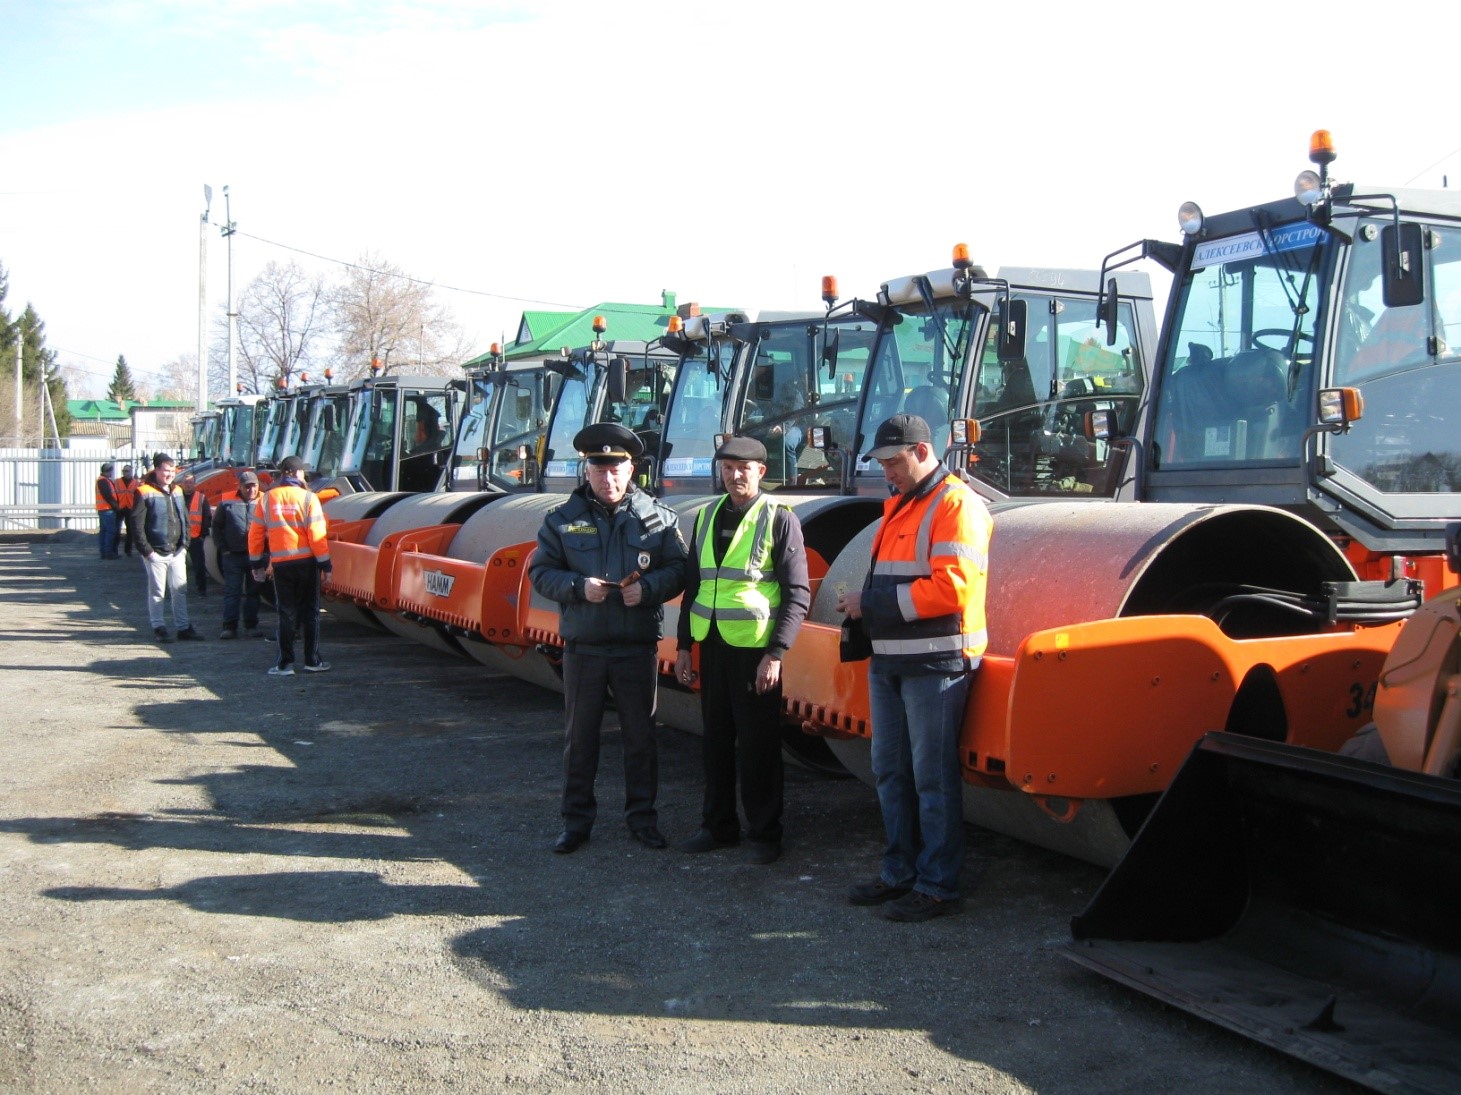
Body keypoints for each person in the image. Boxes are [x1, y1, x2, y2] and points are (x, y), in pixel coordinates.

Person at [835, 414, 991, 922]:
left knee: (930, 778)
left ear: (922, 452)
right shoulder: (903, 503)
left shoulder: (956, 505)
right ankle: (900, 873)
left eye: (893, 461)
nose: (887, 472)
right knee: (891, 771)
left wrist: (869, 605)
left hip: (936, 662)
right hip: (895, 659)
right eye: (881, 463)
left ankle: (938, 885)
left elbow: (953, 589)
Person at [529, 422, 688, 854]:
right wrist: (579, 588)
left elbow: (679, 569)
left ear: (631, 468)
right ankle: (576, 822)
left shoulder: (657, 519)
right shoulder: (562, 521)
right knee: (580, 739)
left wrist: (649, 589)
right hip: (585, 648)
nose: (608, 478)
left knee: (641, 738)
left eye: (616, 468)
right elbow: (540, 573)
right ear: (587, 471)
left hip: (636, 648)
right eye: (599, 469)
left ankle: (642, 819)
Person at [674, 435, 810, 865]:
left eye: (743, 468)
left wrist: (777, 654)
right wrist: (682, 647)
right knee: (714, 740)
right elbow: (694, 586)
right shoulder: (707, 516)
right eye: (728, 468)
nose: (734, 476)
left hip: (756, 653)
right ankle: (717, 826)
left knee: (758, 746)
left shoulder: (779, 519)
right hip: (712, 645)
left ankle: (765, 834)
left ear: (761, 473)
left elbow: (798, 593)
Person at [249, 454, 332, 677]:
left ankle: (284, 664)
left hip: (281, 564)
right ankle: (312, 660)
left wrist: (256, 562)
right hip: (306, 563)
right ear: (296, 473)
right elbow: (317, 535)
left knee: (286, 612)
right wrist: (325, 564)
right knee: (311, 612)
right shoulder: (308, 498)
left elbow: (255, 533)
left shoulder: (266, 499)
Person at [132, 453, 202, 643]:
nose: (170, 474)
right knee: (157, 591)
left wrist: (184, 545)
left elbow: (185, 519)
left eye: (172, 471)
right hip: (155, 552)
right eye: (166, 471)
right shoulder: (144, 492)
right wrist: (148, 551)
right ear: (156, 471)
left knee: (180, 589)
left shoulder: (177, 491)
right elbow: (137, 526)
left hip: (177, 551)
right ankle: (159, 627)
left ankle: (183, 627)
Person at [213, 470, 264, 640]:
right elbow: (217, 526)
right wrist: (223, 549)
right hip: (233, 555)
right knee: (232, 591)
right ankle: (229, 626)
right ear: (240, 487)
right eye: (247, 487)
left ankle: (251, 624)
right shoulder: (227, 501)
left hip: (256, 555)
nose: (251, 490)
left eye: (254, 486)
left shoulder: (265, 501)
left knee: (253, 591)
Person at [181, 474, 212, 598]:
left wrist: (202, 535)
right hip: (180, 538)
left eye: (190, 482)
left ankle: (202, 590)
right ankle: (178, 590)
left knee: (199, 566)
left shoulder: (201, 498)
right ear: (182, 484)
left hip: (196, 537)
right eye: (186, 482)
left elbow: (207, 517)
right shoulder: (177, 497)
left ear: (194, 484)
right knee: (177, 567)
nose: (188, 485)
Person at [95, 462, 122, 559]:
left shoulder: (103, 480)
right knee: (111, 531)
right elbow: (108, 496)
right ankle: (108, 553)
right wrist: (117, 507)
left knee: (104, 531)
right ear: (108, 471)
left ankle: (104, 552)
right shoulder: (103, 481)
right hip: (107, 510)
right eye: (111, 471)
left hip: (103, 509)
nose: (112, 473)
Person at [116, 463, 139, 557]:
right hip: (119, 508)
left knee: (130, 531)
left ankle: (128, 551)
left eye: (128, 471)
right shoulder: (117, 482)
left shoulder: (136, 483)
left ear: (131, 472)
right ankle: (114, 550)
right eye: (124, 471)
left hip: (130, 508)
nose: (126, 473)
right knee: (116, 530)